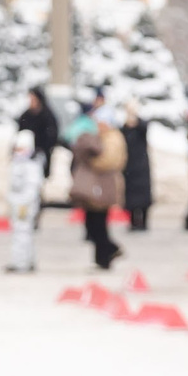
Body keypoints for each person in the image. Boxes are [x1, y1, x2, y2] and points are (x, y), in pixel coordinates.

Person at [70, 107, 126, 269]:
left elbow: (109, 161)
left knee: (99, 223)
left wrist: (89, 161)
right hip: (97, 186)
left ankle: (106, 254)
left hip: (104, 186)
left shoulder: (113, 138)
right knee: (93, 223)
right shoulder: (103, 136)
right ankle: (103, 256)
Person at [3, 129, 41, 273]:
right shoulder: (16, 163)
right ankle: (25, 261)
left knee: (22, 234)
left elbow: (32, 189)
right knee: (21, 233)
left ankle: (21, 263)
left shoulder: (31, 165)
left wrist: (22, 204)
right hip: (17, 205)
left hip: (24, 207)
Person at [120, 102, 154, 232]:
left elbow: (144, 127)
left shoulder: (141, 128)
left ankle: (144, 222)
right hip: (129, 168)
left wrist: (135, 116)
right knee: (131, 199)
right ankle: (133, 222)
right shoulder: (124, 129)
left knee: (144, 198)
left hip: (141, 167)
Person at [18, 86, 61, 181]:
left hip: (41, 154)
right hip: (25, 155)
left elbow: (52, 135)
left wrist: (42, 148)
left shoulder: (47, 116)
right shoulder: (26, 116)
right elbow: (20, 134)